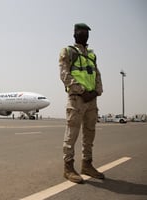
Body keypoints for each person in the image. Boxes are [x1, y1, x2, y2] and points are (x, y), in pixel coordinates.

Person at [59, 23, 105, 183]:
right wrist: (81, 91)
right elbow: (64, 75)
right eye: (80, 31)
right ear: (74, 34)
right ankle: (68, 168)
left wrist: (97, 91)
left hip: (92, 99)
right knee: (72, 133)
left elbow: (97, 75)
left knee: (89, 133)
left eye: (86, 32)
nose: (83, 34)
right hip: (77, 99)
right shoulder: (68, 51)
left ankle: (87, 165)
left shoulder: (92, 55)